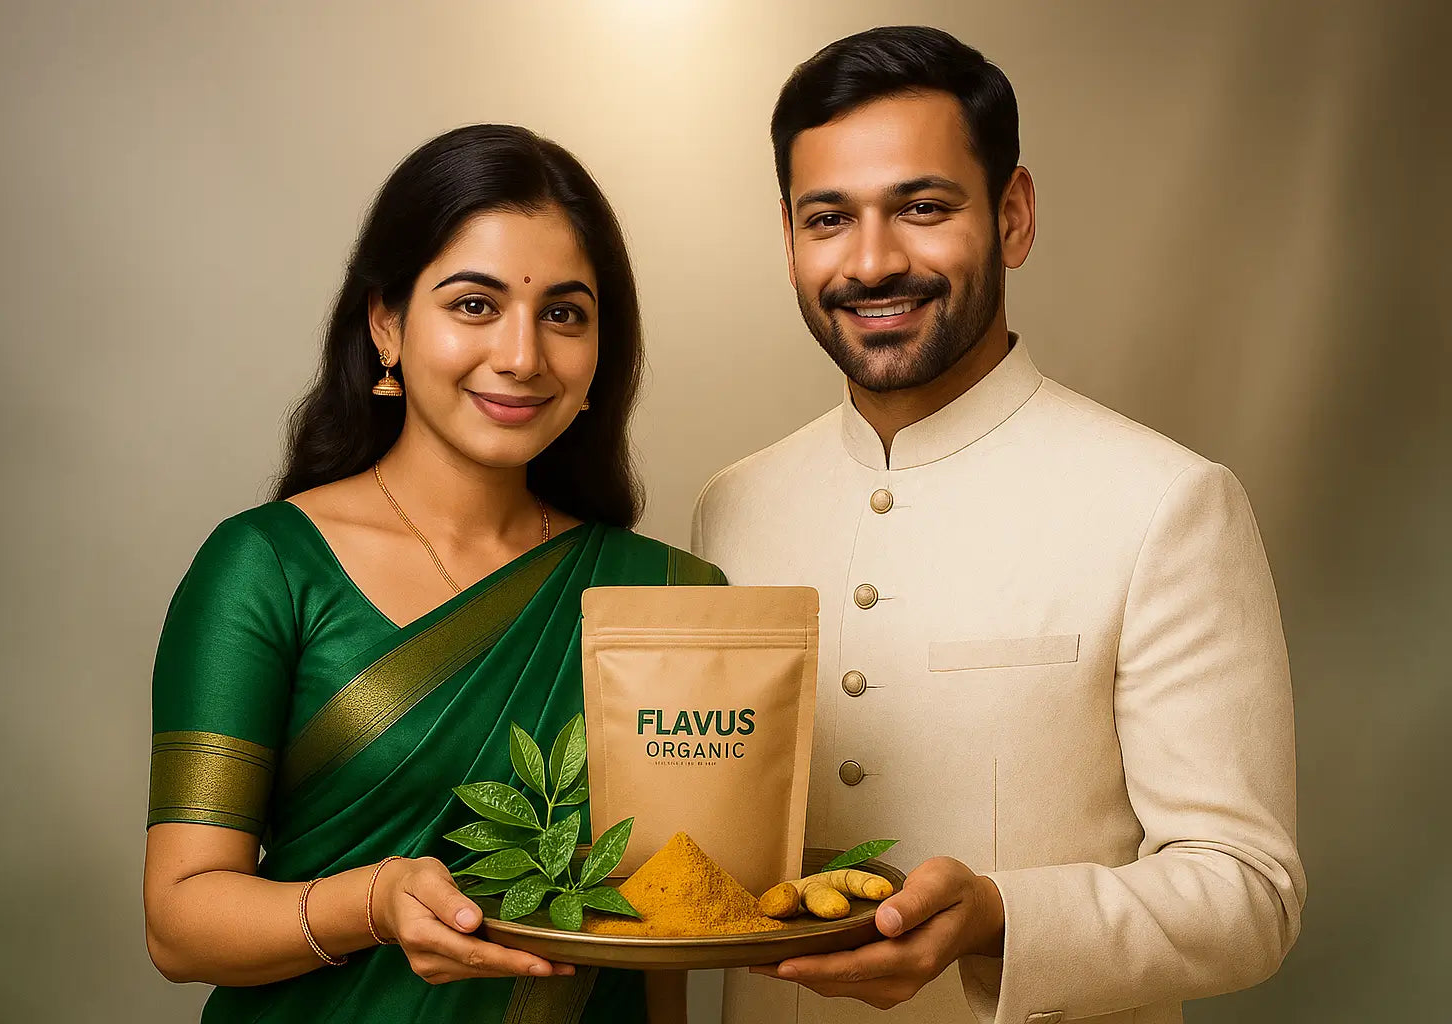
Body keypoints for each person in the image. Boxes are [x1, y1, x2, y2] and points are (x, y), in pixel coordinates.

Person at [693, 26, 1304, 1024]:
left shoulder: (1165, 502)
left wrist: (998, 916)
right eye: (828, 219)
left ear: (1013, 216)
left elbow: (1251, 893)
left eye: (923, 208)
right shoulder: (733, 504)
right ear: (791, 239)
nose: (874, 261)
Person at [143, 124, 717, 1024]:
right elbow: (179, 921)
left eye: (564, 313)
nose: (523, 356)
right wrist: (371, 902)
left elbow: (665, 929)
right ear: (386, 322)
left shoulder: (668, 598)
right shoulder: (266, 569)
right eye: (475, 305)